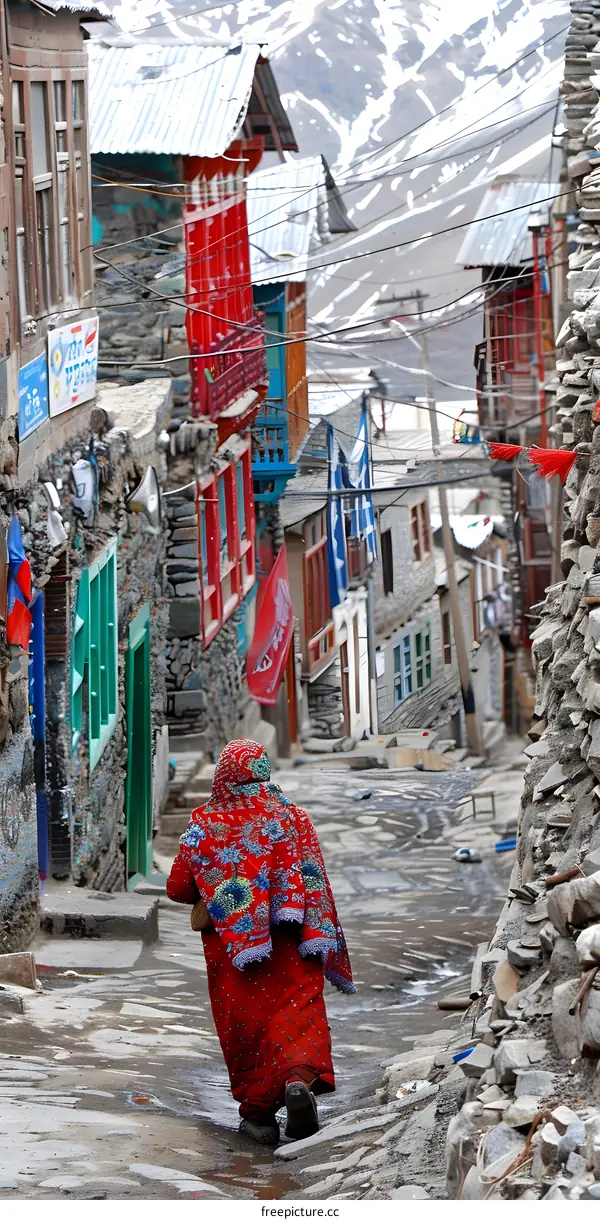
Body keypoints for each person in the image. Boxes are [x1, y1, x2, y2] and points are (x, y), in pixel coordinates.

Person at [166, 737, 355, 1146]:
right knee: (297, 1012)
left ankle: (258, 1114)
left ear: (224, 775)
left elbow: (178, 888)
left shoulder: (205, 823)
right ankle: (296, 1079)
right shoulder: (294, 819)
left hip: (234, 954)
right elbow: (313, 879)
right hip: (293, 943)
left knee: (247, 1026)